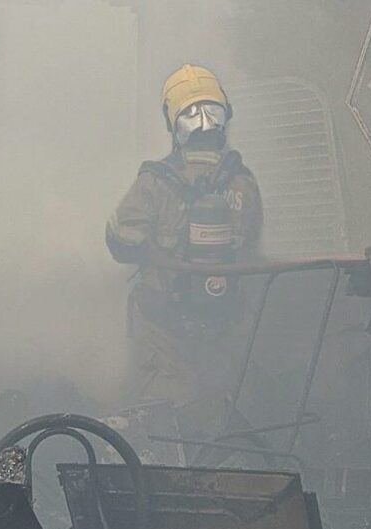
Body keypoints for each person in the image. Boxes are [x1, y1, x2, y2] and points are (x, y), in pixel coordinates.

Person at [106, 64, 263, 425]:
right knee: (219, 403)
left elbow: (118, 240)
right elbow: (251, 243)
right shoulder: (244, 182)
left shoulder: (154, 181)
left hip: (164, 321)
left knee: (163, 408)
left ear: (172, 119)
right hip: (225, 318)